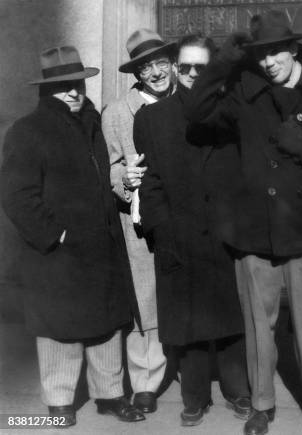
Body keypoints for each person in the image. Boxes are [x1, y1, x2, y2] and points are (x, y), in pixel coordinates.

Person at [184, 10, 302, 435]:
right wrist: (225, 61)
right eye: (260, 55)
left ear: (295, 49)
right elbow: (196, 111)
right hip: (255, 228)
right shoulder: (244, 91)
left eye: (277, 51)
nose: (269, 62)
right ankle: (262, 403)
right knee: (259, 323)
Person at [0, 46, 144, 427]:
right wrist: (56, 235)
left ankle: (109, 395)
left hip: (101, 248)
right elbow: (17, 196)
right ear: (45, 91)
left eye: (77, 84)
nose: (74, 92)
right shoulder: (27, 131)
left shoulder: (93, 124)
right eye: (62, 86)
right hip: (57, 255)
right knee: (59, 329)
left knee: (106, 326)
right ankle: (60, 403)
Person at [134, 33, 251, 427]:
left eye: (201, 68)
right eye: (184, 67)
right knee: (189, 321)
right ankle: (195, 397)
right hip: (178, 235)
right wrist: (160, 228)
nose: (191, 74)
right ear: (175, 68)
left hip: (225, 234)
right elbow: (149, 181)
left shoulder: (228, 113)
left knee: (231, 320)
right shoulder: (151, 118)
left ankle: (239, 391)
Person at [101, 28, 176, 414]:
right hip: (140, 220)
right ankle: (145, 379)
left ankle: (185, 368)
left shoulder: (186, 102)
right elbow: (109, 166)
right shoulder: (117, 112)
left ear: (173, 64)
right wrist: (123, 180)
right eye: (146, 67)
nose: (156, 72)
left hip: (183, 217)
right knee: (144, 298)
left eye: (161, 62)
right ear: (137, 74)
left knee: (181, 292)